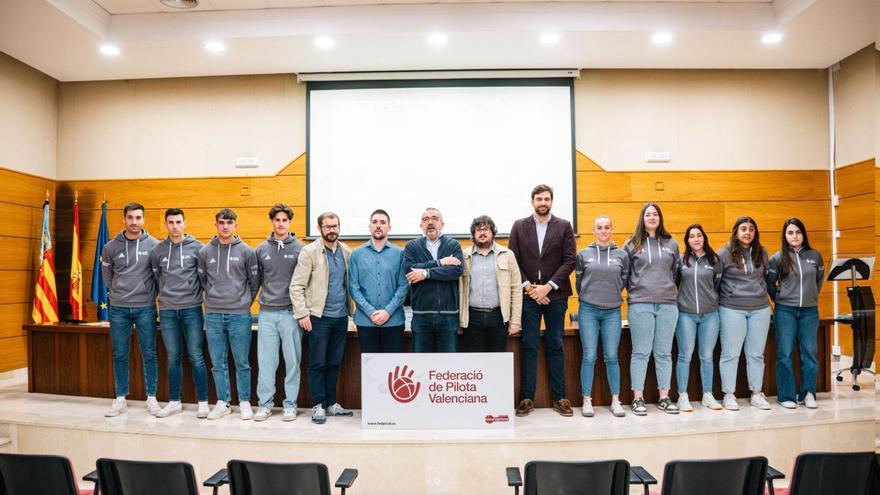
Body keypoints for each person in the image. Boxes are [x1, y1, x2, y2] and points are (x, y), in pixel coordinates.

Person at [508, 184, 577, 417]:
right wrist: (530, 288)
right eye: (539, 199)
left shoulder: (564, 226)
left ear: (551, 201)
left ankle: (560, 398)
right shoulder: (519, 226)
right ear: (532, 201)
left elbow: (570, 261)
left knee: (556, 344)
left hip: (556, 295)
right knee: (529, 345)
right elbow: (513, 260)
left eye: (547, 199)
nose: (543, 203)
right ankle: (527, 398)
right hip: (528, 296)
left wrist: (547, 287)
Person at [290, 212, 355, 424]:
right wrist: (302, 313)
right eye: (327, 227)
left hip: (340, 318)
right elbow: (296, 286)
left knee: (335, 363)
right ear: (319, 229)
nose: (332, 230)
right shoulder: (309, 252)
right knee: (317, 363)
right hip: (318, 318)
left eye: (335, 226)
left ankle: (331, 404)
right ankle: (318, 405)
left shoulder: (346, 252)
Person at [198, 208, 260, 420]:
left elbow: (254, 283)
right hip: (213, 314)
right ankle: (223, 402)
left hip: (239, 315)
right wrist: (215, 299)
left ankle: (244, 402)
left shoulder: (247, 252)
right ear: (216, 225)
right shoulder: (205, 252)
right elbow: (203, 281)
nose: (225, 226)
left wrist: (242, 303)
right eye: (221, 223)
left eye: (229, 223)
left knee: (242, 361)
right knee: (218, 362)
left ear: (235, 225)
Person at [102, 202, 161, 418]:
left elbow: (158, 276)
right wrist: (118, 293)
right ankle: (120, 398)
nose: (134, 222)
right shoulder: (110, 247)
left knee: (149, 353)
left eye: (138, 218)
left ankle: (152, 398)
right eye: (130, 218)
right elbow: (107, 278)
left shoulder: (155, 245)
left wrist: (149, 294)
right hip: (118, 308)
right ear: (124, 219)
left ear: (143, 220)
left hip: (145, 307)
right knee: (120, 353)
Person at [149, 208, 209, 418]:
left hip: (192, 309)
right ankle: (174, 401)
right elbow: (157, 278)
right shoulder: (157, 250)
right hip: (166, 310)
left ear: (185, 223)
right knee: (173, 356)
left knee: (196, 356)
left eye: (178, 222)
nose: (175, 226)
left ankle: (203, 402)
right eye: (171, 222)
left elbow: (203, 278)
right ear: (166, 224)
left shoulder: (199, 249)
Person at [623, 202, 681, 416]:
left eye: (655, 214)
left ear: (660, 218)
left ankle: (664, 397)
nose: (652, 217)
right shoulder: (631, 243)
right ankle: (638, 399)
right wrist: (638, 292)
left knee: (664, 353)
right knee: (640, 352)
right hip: (640, 303)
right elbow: (625, 274)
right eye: (648, 214)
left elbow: (676, 272)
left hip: (667, 304)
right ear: (642, 218)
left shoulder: (671, 243)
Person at [254, 204, 305, 422]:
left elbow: (305, 283)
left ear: (289, 223)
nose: (281, 223)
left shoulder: (301, 249)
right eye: (277, 220)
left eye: (285, 220)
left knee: (292, 362)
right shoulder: (261, 249)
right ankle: (265, 405)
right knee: (266, 362)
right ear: (272, 222)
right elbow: (255, 282)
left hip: (291, 313)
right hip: (266, 313)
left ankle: (290, 405)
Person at [574, 215, 629, 418]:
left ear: (612, 230)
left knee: (611, 356)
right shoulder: (583, 254)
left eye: (607, 227)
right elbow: (579, 282)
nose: (604, 231)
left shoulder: (622, 255)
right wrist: (590, 296)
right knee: (589, 356)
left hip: (612, 311)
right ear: (594, 230)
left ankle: (616, 400)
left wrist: (610, 295)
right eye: (600, 227)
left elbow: (624, 279)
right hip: (588, 310)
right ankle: (586, 400)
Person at [767, 218, 824, 409]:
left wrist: (811, 297)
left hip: (809, 311)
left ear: (803, 234)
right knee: (784, 353)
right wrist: (780, 299)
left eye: (798, 232)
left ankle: (808, 393)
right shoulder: (777, 258)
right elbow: (770, 283)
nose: (794, 236)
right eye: (790, 232)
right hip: (785, 311)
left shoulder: (815, 256)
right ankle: (787, 396)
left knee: (810, 353)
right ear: (785, 236)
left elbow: (818, 281)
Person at [717, 216, 772, 411]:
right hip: (732, 309)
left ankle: (756, 393)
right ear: (736, 232)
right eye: (743, 229)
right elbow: (716, 281)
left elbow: (766, 278)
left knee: (756, 354)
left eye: (751, 229)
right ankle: (729, 394)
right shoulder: (724, 253)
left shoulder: (762, 253)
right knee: (730, 353)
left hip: (760, 309)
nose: (747, 232)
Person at [674, 224, 723, 412]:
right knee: (685, 355)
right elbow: (675, 282)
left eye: (699, 235)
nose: (696, 239)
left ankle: (708, 395)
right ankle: (683, 396)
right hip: (686, 314)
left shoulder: (715, 260)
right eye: (692, 236)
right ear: (687, 240)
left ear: (704, 238)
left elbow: (717, 284)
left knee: (707, 356)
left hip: (710, 315)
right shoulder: (681, 261)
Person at [403, 208, 464, 353]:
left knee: (449, 364)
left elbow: (456, 271)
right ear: (421, 226)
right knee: (420, 364)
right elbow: (409, 270)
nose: (430, 222)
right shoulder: (412, 246)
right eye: (425, 219)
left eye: (434, 218)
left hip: (449, 316)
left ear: (442, 224)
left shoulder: (453, 245)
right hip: (421, 316)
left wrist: (425, 273)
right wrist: (441, 262)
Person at [459, 215, 523, 352]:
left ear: (493, 232)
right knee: (474, 364)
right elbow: (458, 289)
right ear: (473, 234)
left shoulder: (507, 254)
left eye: (486, 229)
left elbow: (516, 289)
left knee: (497, 361)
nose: (482, 233)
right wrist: (459, 320)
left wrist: (515, 320)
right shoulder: (464, 256)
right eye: (478, 230)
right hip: (472, 318)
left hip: (498, 317)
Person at [349, 209, 408, 353]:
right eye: (374, 222)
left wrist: (387, 312)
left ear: (389, 227)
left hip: (393, 321)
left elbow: (403, 286)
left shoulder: (400, 254)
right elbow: (353, 287)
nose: (378, 225)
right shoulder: (357, 254)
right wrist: (371, 312)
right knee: (371, 370)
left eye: (383, 222)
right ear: (370, 226)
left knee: (393, 370)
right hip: (366, 321)